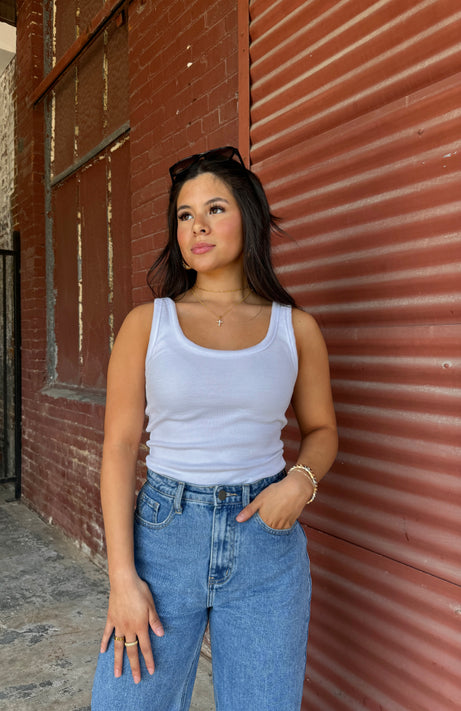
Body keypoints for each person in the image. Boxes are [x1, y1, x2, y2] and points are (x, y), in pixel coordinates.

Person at [91, 146, 338, 711]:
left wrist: (300, 481)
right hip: (164, 536)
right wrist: (122, 579)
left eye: (215, 209)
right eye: (184, 215)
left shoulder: (295, 329)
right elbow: (119, 448)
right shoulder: (147, 324)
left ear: (248, 219)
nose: (196, 226)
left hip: (265, 546)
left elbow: (322, 429)